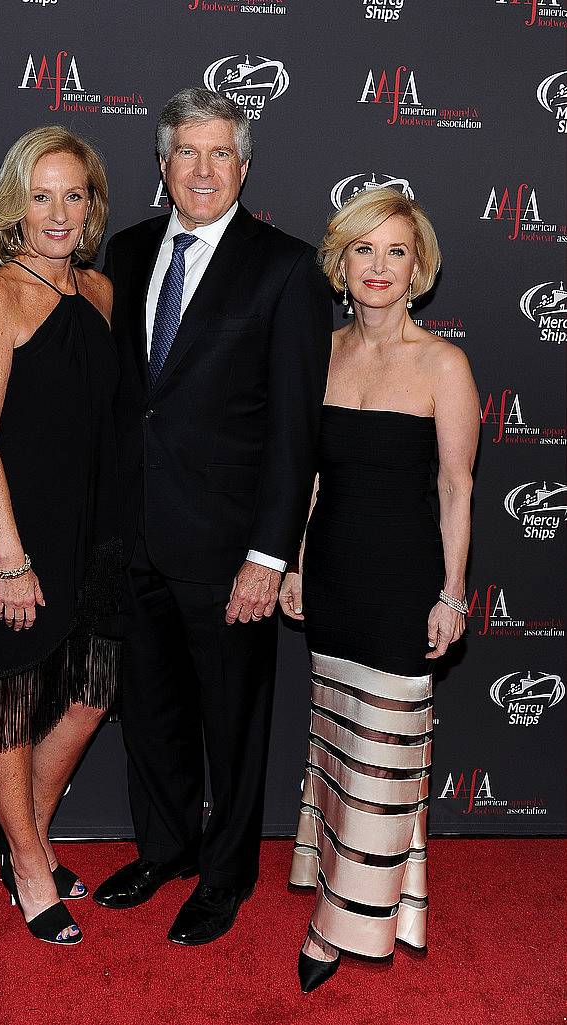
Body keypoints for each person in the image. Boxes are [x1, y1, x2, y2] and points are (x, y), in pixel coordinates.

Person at [92, 87, 332, 945]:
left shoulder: (285, 267)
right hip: (135, 538)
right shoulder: (122, 252)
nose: (201, 169)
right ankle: (165, 849)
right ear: (161, 167)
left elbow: (294, 428)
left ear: (244, 164)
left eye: (219, 153)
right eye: (185, 153)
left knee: (231, 721)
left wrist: (269, 554)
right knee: (148, 711)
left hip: (231, 546)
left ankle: (225, 876)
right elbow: (126, 403)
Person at [280, 187, 480, 992]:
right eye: (364, 248)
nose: (377, 266)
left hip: (404, 590)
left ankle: (335, 925)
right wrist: (293, 562)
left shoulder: (443, 364)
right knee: (339, 754)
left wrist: (452, 593)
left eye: (394, 251)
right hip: (333, 579)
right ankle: (366, 897)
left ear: (417, 268)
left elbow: (456, 486)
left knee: (384, 760)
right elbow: (309, 479)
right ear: (341, 260)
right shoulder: (320, 353)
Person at [0, 126, 121, 946]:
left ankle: (31, 834)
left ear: (91, 207)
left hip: (90, 532)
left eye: (73, 194)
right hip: (9, 533)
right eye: (40, 195)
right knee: (9, 708)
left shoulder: (100, 294)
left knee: (90, 693)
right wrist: (9, 562)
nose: (58, 213)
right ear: (14, 206)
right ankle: (26, 863)